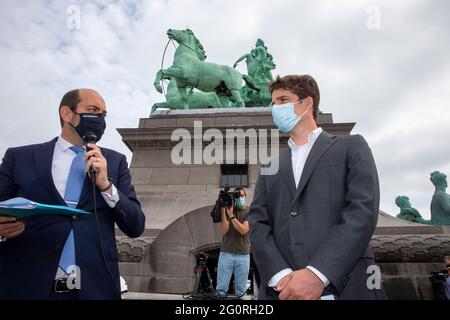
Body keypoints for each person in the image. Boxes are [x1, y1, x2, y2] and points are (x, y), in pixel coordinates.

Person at [0, 88, 146, 300]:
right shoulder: (19, 158)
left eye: (103, 114)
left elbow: (136, 225)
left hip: (94, 287)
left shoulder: (115, 162)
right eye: (93, 110)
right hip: (26, 282)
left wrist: (106, 185)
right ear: (67, 114)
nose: (100, 119)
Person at [249, 75, 385, 300]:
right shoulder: (269, 166)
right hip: (282, 291)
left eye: (283, 100)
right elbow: (258, 222)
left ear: (307, 103)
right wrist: (280, 275)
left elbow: (362, 211)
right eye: (273, 103)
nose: (276, 108)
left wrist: (317, 273)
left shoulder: (351, 146)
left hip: (348, 287)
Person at [215, 187, 250, 298]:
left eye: (242, 195)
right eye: (237, 196)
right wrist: (223, 210)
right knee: (221, 290)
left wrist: (231, 216)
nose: (240, 198)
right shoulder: (228, 210)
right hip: (226, 253)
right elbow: (224, 230)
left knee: (241, 291)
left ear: (245, 197)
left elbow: (243, 230)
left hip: (243, 255)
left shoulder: (249, 212)